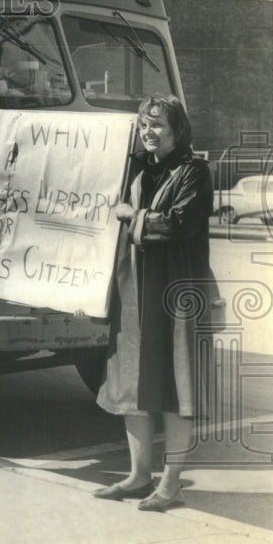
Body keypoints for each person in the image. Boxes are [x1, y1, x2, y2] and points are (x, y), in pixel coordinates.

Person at [94, 94, 214, 512]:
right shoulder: (138, 169)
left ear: (178, 130)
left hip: (176, 291)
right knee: (132, 384)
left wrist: (131, 216)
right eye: (144, 125)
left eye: (158, 125)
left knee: (176, 387)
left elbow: (177, 225)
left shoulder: (194, 172)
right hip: (135, 291)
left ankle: (171, 483)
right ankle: (138, 475)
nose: (149, 132)